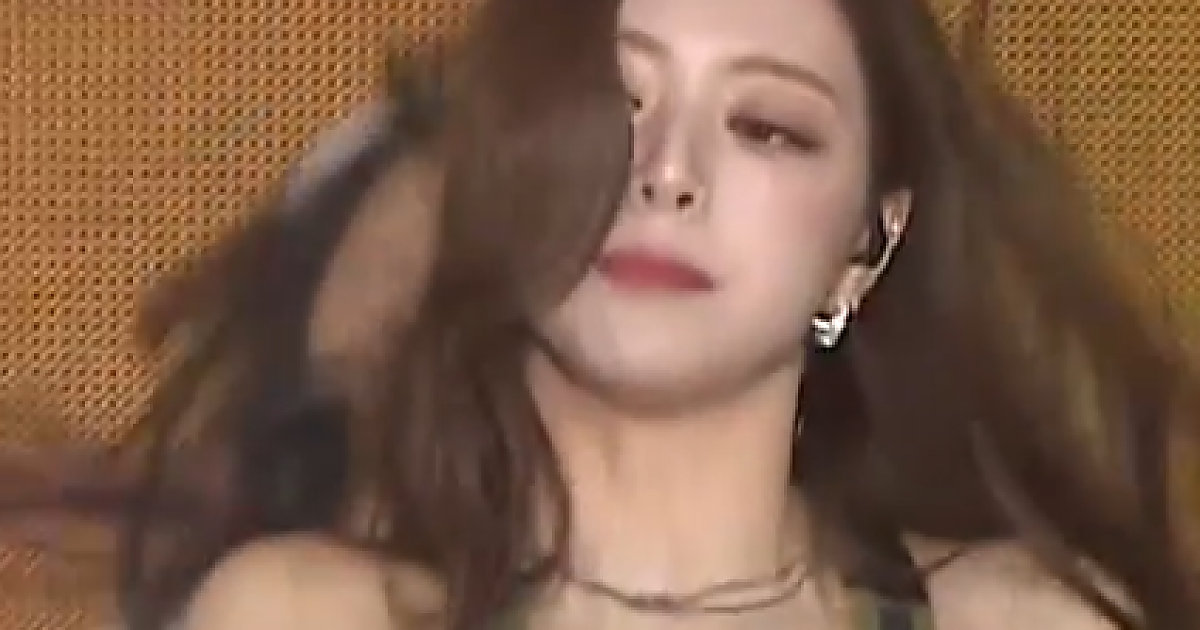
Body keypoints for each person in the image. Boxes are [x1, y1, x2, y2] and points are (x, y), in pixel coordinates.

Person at [6, 0, 1199, 628]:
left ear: (865, 247)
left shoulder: (1021, 620)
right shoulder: (301, 615)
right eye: (612, 104)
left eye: (768, 126)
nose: (668, 172)